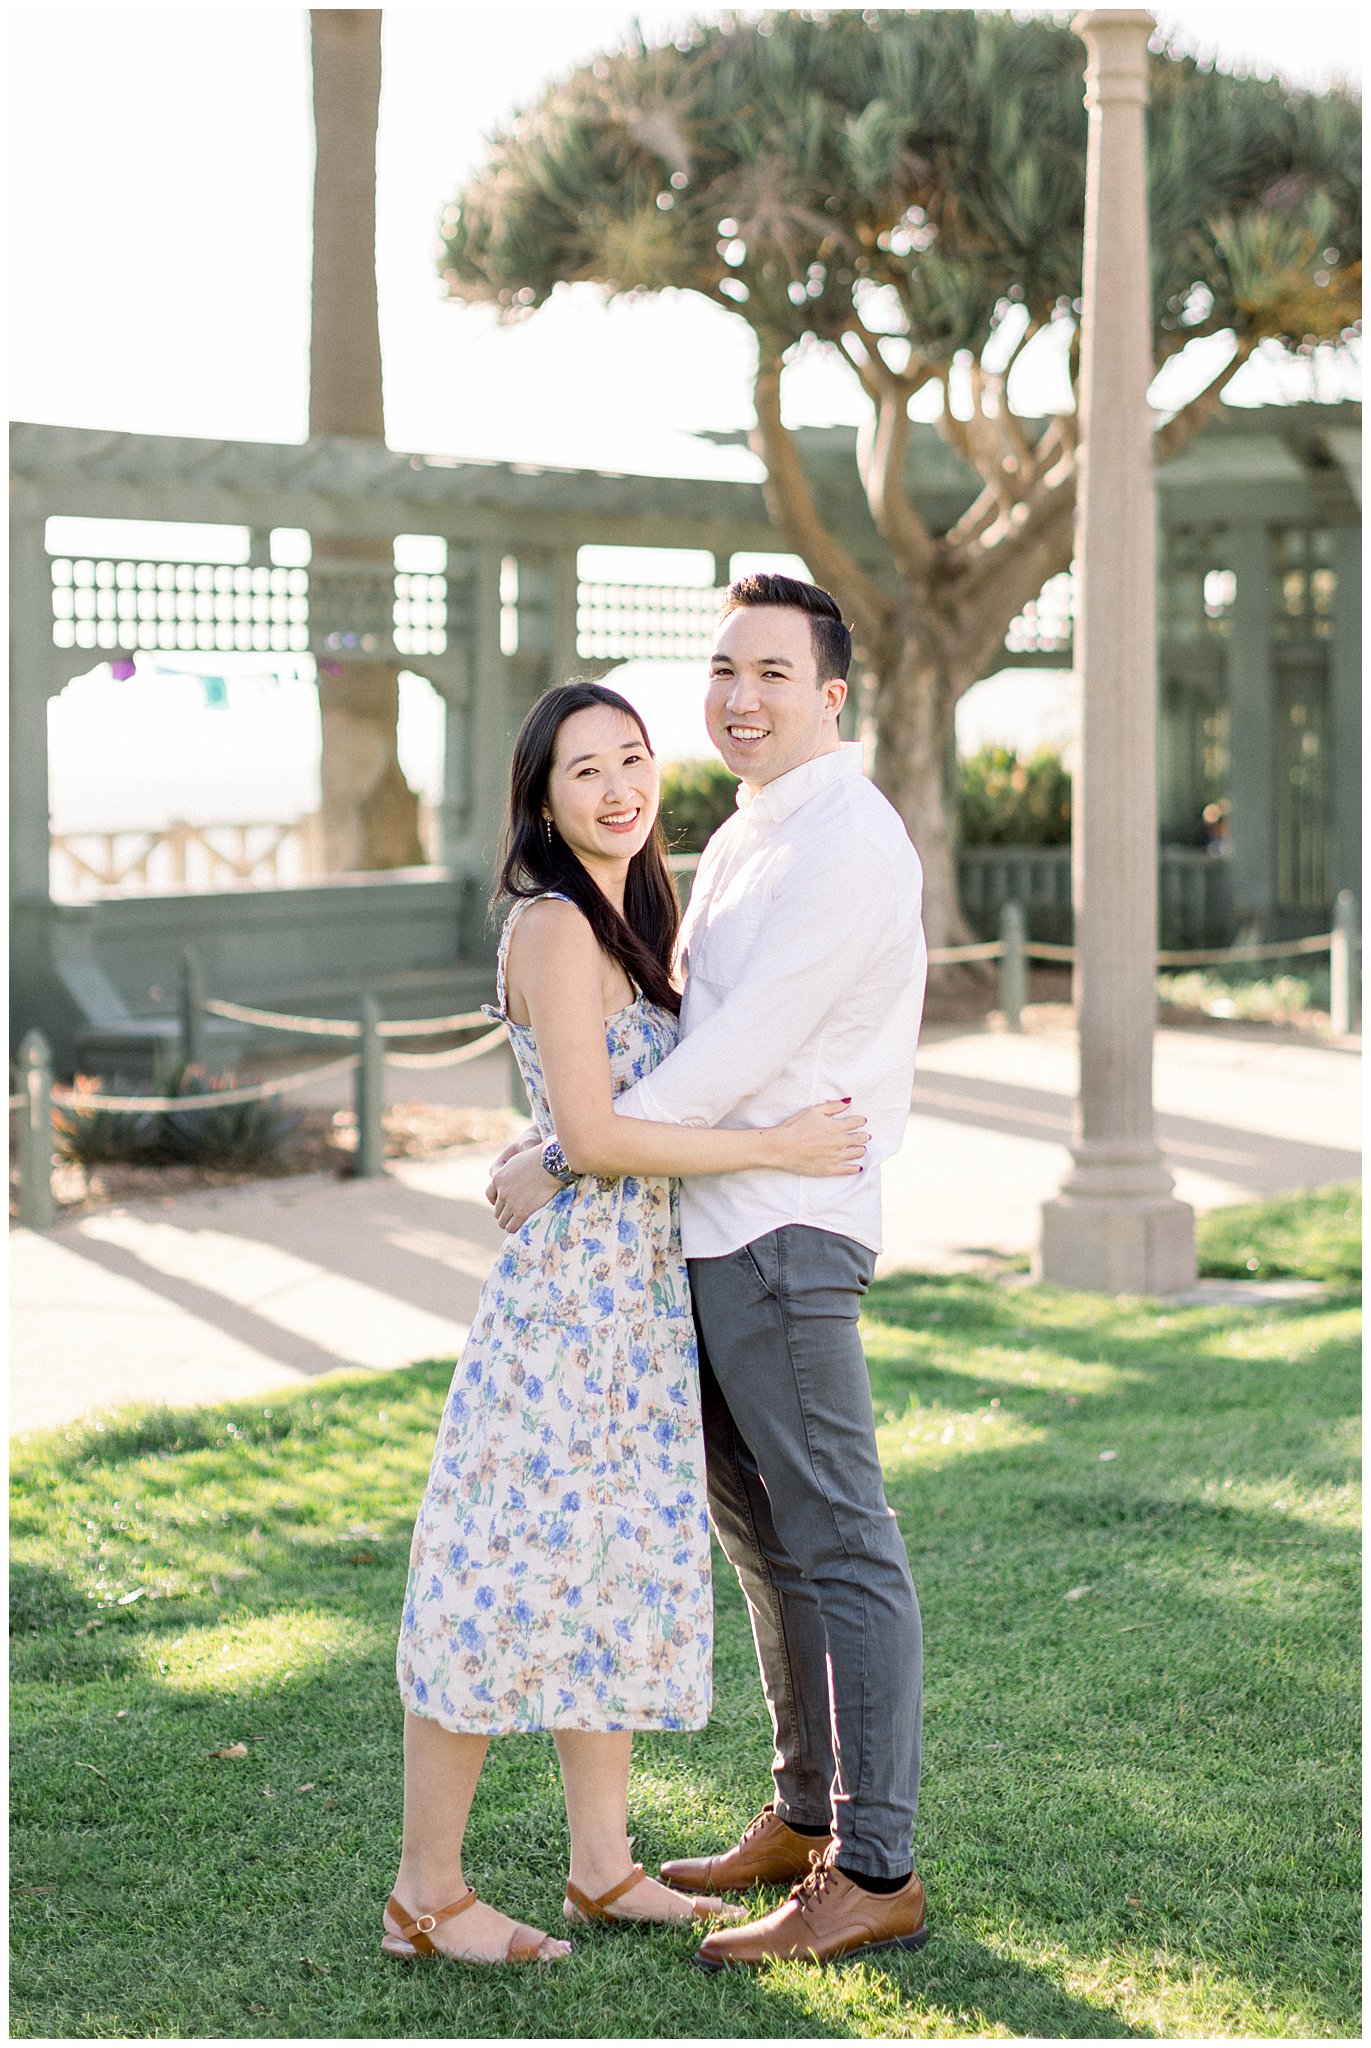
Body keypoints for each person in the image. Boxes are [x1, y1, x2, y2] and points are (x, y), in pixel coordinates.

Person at [386, 679, 869, 1968]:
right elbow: (597, 1132)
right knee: (500, 1578)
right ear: (542, 802)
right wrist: (765, 1146)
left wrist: (550, 1145)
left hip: (638, 1309)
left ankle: (602, 1869)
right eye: (585, 770)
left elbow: (582, 1123)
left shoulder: (638, 921)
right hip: (562, 1314)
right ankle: (425, 1895)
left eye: (634, 759)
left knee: (603, 1579)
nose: (618, 787)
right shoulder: (552, 923)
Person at [488, 575, 929, 1970]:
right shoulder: (748, 834)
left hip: (787, 1234)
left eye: (774, 675)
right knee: (767, 1544)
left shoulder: (847, 844)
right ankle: (804, 1817)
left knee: (842, 1542)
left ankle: (874, 1866)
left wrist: (563, 1156)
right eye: (725, 671)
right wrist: (582, 1135)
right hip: (711, 1227)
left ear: (831, 696)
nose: (742, 697)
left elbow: (731, 1058)